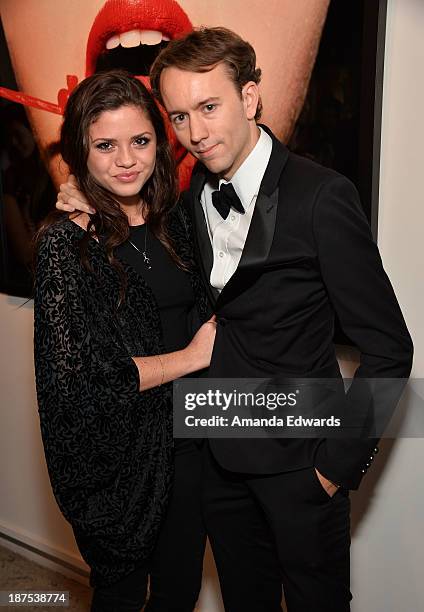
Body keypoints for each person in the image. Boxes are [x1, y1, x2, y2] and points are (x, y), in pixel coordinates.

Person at [57, 28, 414, 611]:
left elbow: (391, 349)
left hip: (303, 464)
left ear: (249, 98)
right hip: (218, 464)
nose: (195, 133)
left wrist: (334, 469)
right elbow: (135, 221)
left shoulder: (322, 196)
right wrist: (81, 195)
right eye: (178, 117)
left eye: (209, 107)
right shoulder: (192, 193)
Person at [33, 69, 215, 612]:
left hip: (190, 441)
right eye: (104, 145)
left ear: (160, 145)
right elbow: (82, 383)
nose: (125, 160)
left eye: (139, 141)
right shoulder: (65, 245)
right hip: (120, 462)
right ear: (80, 153)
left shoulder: (174, 221)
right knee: (121, 594)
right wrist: (190, 358)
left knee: (180, 590)